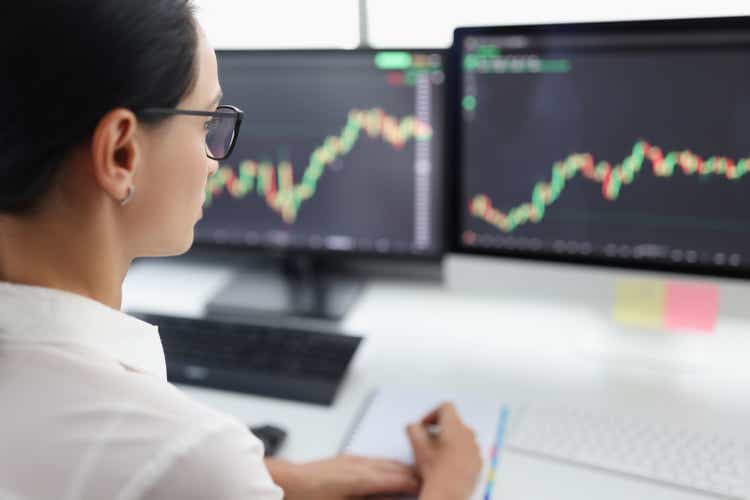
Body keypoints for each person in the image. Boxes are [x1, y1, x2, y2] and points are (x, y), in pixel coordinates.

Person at [0, 2, 482, 499]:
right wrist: (452, 482)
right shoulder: (187, 453)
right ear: (121, 153)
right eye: (207, 123)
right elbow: (169, 467)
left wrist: (282, 478)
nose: (214, 163)